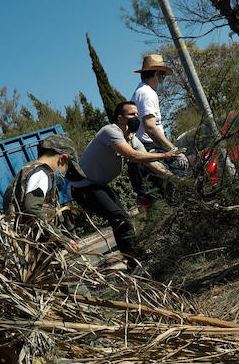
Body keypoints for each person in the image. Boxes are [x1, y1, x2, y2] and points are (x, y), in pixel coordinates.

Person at [75, 101, 183, 271]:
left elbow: (150, 161)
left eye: (137, 114)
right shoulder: (110, 131)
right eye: (131, 115)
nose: (136, 118)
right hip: (84, 187)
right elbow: (133, 156)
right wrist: (166, 155)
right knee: (120, 218)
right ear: (120, 118)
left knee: (123, 218)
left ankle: (134, 259)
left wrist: (177, 180)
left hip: (99, 185)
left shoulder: (132, 138)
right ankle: (135, 265)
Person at [128, 54, 184, 209]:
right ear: (156, 73)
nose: (162, 79)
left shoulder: (139, 92)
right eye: (163, 75)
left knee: (156, 203)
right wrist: (173, 150)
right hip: (149, 150)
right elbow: (150, 127)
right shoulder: (147, 94)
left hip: (144, 152)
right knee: (175, 193)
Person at [6, 134, 76, 223]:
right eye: (67, 168)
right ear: (62, 159)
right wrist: (57, 235)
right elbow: (32, 208)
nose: (65, 174)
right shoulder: (42, 173)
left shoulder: (27, 170)